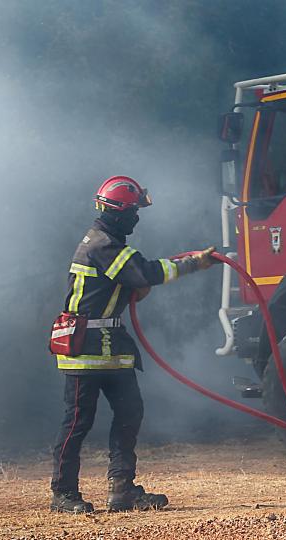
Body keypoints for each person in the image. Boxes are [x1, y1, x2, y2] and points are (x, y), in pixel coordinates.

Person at [49, 176, 216, 514]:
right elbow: (146, 272)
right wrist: (194, 263)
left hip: (113, 347)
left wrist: (130, 289)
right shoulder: (101, 244)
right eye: (134, 210)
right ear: (120, 212)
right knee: (78, 421)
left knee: (130, 412)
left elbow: (127, 281)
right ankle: (63, 494)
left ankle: (122, 489)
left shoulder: (107, 242)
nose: (137, 218)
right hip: (86, 351)